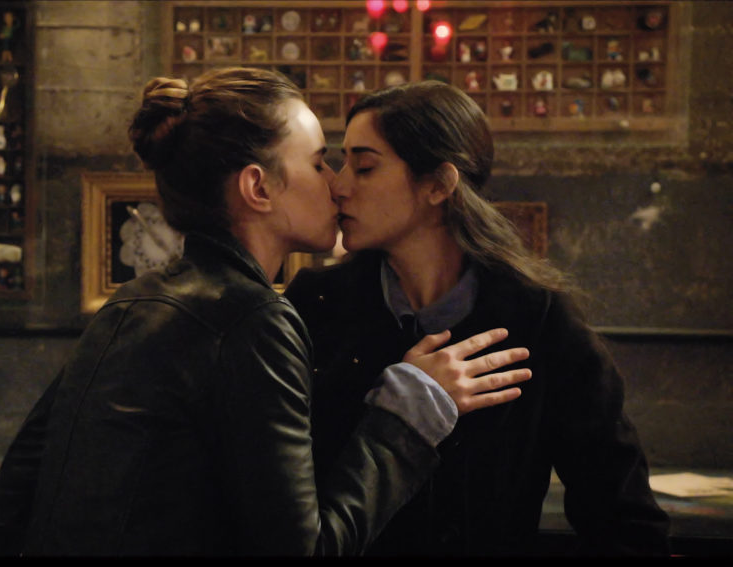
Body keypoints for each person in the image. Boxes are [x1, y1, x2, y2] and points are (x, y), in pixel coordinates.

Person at [0, 68, 532, 556]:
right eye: (319, 162)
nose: (336, 183)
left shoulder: (130, 301)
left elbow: (17, 486)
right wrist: (408, 413)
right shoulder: (254, 320)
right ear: (257, 187)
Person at [284, 80, 671, 556]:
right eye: (341, 163)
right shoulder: (317, 304)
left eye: (364, 167)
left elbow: (622, 515)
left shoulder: (538, 318)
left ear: (438, 185)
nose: (339, 186)